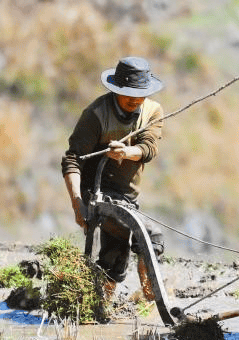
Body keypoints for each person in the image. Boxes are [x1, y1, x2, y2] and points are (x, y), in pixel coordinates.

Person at [61, 56, 166, 301]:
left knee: (115, 257)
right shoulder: (96, 114)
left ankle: (101, 304)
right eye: (128, 93)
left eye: (140, 93)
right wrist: (78, 204)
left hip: (127, 197)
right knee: (151, 236)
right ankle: (155, 299)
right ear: (116, 90)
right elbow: (73, 159)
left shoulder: (152, 111)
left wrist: (126, 152)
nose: (135, 99)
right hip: (96, 191)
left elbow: (149, 148)